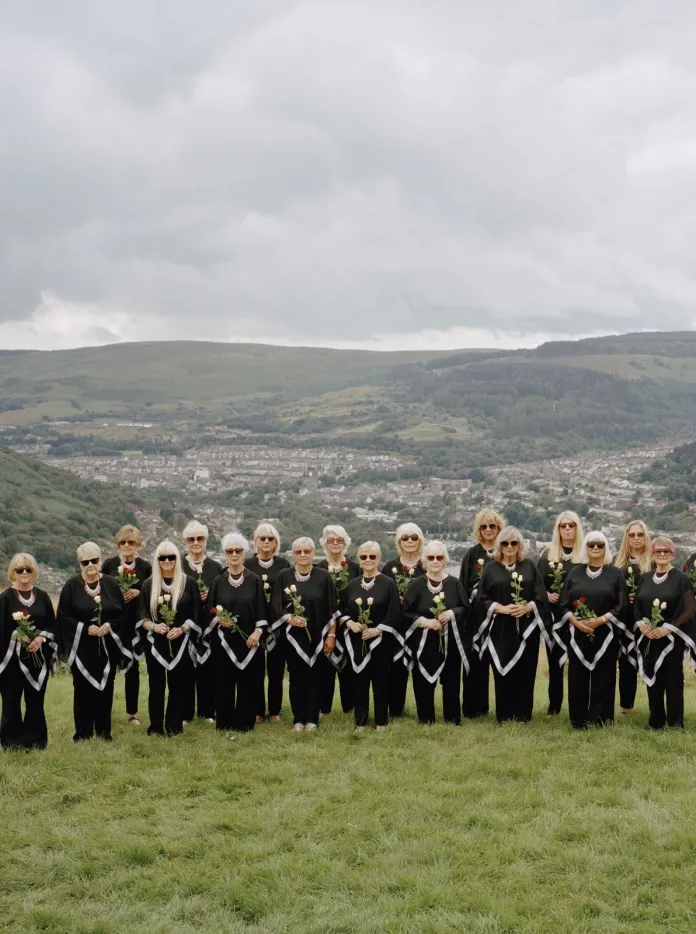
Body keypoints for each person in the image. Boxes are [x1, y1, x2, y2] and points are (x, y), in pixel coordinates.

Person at [557, 532, 630, 729]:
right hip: (578, 634)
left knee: (604, 677)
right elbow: (564, 604)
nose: (595, 548)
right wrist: (575, 621)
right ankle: (578, 720)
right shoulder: (574, 573)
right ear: (586, 547)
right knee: (577, 676)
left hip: (606, 634)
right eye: (591, 545)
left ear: (606, 547)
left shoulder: (615, 573)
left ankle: (601, 720)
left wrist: (600, 620)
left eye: (600, 545)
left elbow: (622, 606)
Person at [476, 527, 549, 724]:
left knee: (525, 671)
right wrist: (499, 608)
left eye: (513, 543)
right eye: (505, 543)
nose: (509, 547)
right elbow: (482, 598)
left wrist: (527, 608)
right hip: (500, 629)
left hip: (526, 629)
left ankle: (523, 715)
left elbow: (540, 595)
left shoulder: (529, 567)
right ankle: (504, 715)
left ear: (519, 545)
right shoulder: (491, 568)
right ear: (499, 545)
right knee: (502, 671)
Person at [57, 542, 127, 741]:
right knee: (82, 689)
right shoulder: (71, 586)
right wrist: (86, 628)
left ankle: (104, 731)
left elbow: (121, 613)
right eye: (84, 562)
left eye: (94, 560)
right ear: (79, 564)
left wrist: (109, 626)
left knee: (106, 688)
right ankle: (83, 732)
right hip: (82, 647)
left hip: (107, 646)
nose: (90, 565)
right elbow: (64, 617)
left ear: (100, 560)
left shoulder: (111, 584)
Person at [271, 537, 338, 731]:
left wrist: (331, 635)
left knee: (316, 677)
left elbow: (332, 608)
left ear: (313, 552)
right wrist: (290, 618)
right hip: (292, 638)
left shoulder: (323, 576)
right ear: (292, 554)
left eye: (307, 551)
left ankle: (312, 720)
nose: (302, 555)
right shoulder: (284, 575)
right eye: (298, 551)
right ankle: (298, 719)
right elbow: (276, 605)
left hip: (317, 636)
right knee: (296, 678)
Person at [136, 542, 200, 736]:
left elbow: (197, 614)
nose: (166, 561)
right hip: (156, 643)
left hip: (180, 641)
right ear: (156, 560)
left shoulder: (188, 583)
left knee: (178, 684)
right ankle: (155, 726)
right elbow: (141, 616)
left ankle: (174, 725)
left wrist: (182, 629)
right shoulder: (148, 584)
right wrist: (154, 626)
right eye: (162, 557)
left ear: (177, 559)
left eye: (171, 557)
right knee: (156, 685)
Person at [206, 534, 267, 734]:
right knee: (223, 682)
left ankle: (244, 723)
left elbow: (261, 611)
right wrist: (219, 621)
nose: (234, 554)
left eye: (238, 551)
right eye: (229, 551)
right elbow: (210, 611)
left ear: (244, 553)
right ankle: (224, 722)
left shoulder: (255, 580)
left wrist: (258, 633)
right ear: (224, 554)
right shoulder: (217, 581)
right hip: (223, 642)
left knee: (247, 683)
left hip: (249, 641)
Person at [402, 541, 468, 725]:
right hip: (423, 643)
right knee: (423, 682)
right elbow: (405, 612)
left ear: (445, 560)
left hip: (450, 644)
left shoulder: (455, 584)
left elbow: (465, 608)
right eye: (431, 557)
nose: (435, 561)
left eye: (439, 557)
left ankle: (453, 719)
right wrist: (425, 622)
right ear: (424, 560)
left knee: (452, 682)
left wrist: (451, 613)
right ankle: (426, 719)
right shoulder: (416, 584)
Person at [634, 537, 696, 729]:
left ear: (673, 554)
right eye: (658, 551)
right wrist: (642, 624)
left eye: (666, 551)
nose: (662, 554)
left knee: (673, 679)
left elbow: (689, 608)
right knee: (653, 677)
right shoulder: (645, 577)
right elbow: (637, 604)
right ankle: (656, 721)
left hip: (671, 638)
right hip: (649, 636)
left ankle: (675, 723)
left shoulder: (681, 578)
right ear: (652, 554)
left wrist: (668, 628)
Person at [339, 542, 401, 731]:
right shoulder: (352, 585)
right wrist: (349, 622)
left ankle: (381, 722)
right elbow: (341, 610)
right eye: (364, 556)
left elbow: (395, 612)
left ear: (378, 558)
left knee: (381, 681)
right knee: (359, 680)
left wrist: (378, 629)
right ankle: (360, 722)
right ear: (358, 559)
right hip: (358, 640)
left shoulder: (388, 583)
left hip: (380, 640)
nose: (368, 560)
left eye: (372, 556)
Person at [0, 554, 57, 749]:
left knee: (35, 701)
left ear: (34, 571)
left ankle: (35, 741)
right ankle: (12, 742)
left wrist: (41, 638)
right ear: (13, 572)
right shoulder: (5, 598)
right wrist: (17, 634)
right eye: (19, 569)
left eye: (28, 569)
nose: (24, 573)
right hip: (11, 662)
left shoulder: (42, 596)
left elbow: (51, 624)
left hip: (36, 659)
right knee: (11, 701)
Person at [102, 525, 152, 726]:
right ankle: (104, 710)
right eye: (122, 542)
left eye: (131, 542)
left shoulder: (146, 567)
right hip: (114, 625)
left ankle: (132, 713)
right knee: (110, 668)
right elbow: (101, 590)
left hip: (135, 625)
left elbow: (151, 592)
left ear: (138, 544)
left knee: (132, 670)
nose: (126, 545)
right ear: (118, 544)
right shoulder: (108, 565)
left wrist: (139, 593)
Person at [458, 509, 506, 718]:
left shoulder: (506, 551)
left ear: (499, 529)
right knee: (475, 662)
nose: (488, 530)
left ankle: (505, 709)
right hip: (476, 617)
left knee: (499, 661)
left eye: (492, 526)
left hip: (499, 616)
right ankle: (474, 709)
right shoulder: (472, 554)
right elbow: (462, 585)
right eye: (483, 526)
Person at [536, 511, 583, 715]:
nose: (567, 529)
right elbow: (535, 585)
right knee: (555, 663)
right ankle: (554, 706)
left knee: (578, 663)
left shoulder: (585, 554)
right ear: (557, 529)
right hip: (553, 617)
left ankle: (578, 706)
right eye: (563, 525)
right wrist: (546, 594)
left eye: (571, 525)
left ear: (577, 528)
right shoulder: (547, 555)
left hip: (578, 617)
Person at [245, 522, 290, 723]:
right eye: (262, 538)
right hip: (253, 623)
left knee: (276, 670)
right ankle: (256, 710)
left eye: (270, 538)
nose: (266, 541)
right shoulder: (247, 564)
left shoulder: (284, 565)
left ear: (276, 542)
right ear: (255, 541)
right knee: (255, 670)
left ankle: (274, 711)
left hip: (277, 624)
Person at [380, 522, 425, 718]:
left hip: (420, 624)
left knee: (421, 667)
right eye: (404, 538)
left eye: (413, 537)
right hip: (396, 626)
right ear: (399, 541)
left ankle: (424, 711)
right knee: (396, 668)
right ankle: (395, 710)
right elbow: (382, 594)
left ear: (420, 540)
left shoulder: (426, 564)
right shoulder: (391, 567)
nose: (409, 541)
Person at [181, 520, 223, 723]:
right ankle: (185, 712)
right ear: (186, 542)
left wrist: (211, 597)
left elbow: (223, 594)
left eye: (200, 538)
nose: (195, 542)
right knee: (186, 670)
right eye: (191, 539)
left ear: (206, 541)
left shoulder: (216, 567)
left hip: (209, 626)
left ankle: (208, 711)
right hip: (185, 625)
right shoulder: (178, 565)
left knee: (209, 669)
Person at [316, 524, 359, 714]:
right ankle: (323, 708)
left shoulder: (355, 568)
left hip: (351, 625)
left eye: (339, 540)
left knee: (349, 668)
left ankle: (349, 707)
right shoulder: (317, 569)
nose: (335, 544)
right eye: (331, 540)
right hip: (325, 626)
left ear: (345, 543)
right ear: (324, 543)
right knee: (325, 668)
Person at [614, 520, 652, 714]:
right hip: (624, 621)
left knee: (650, 661)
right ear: (626, 538)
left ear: (646, 537)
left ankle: (657, 707)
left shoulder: (653, 562)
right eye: (632, 535)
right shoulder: (618, 564)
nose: (636, 538)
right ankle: (626, 707)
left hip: (648, 621)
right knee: (626, 663)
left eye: (640, 534)